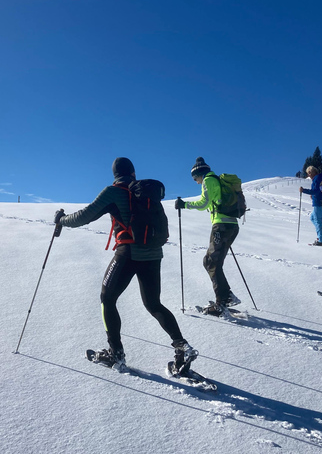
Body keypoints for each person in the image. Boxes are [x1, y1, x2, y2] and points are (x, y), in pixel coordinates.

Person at [54, 157, 198, 374]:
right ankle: (182, 347)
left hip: (128, 252)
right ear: (133, 173)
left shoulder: (114, 192)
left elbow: (84, 216)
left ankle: (116, 353)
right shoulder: (145, 193)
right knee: (153, 304)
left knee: (107, 298)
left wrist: (61, 220)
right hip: (153, 254)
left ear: (115, 174)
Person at [174, 157, 241, 316]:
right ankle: (226, 296)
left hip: (222, 226)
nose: (196, 182)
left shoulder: (208, 180)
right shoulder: (215, 179)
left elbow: (204, 203)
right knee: (213, 262)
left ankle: (222, 302)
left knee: (210, 262)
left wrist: (185, 204)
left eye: (195, 178)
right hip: (229, 225)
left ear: (199, 174)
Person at [299, 166, 322, 245]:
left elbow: (315, 191)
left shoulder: (317, 179)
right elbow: (318, 191)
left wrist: (304, 190)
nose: (309, 175)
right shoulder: (319, 178)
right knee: (312, 218)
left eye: (309, 173)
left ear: (313, 172)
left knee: (317, 221)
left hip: (319, 203)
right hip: (320, 201)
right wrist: (314, 195)